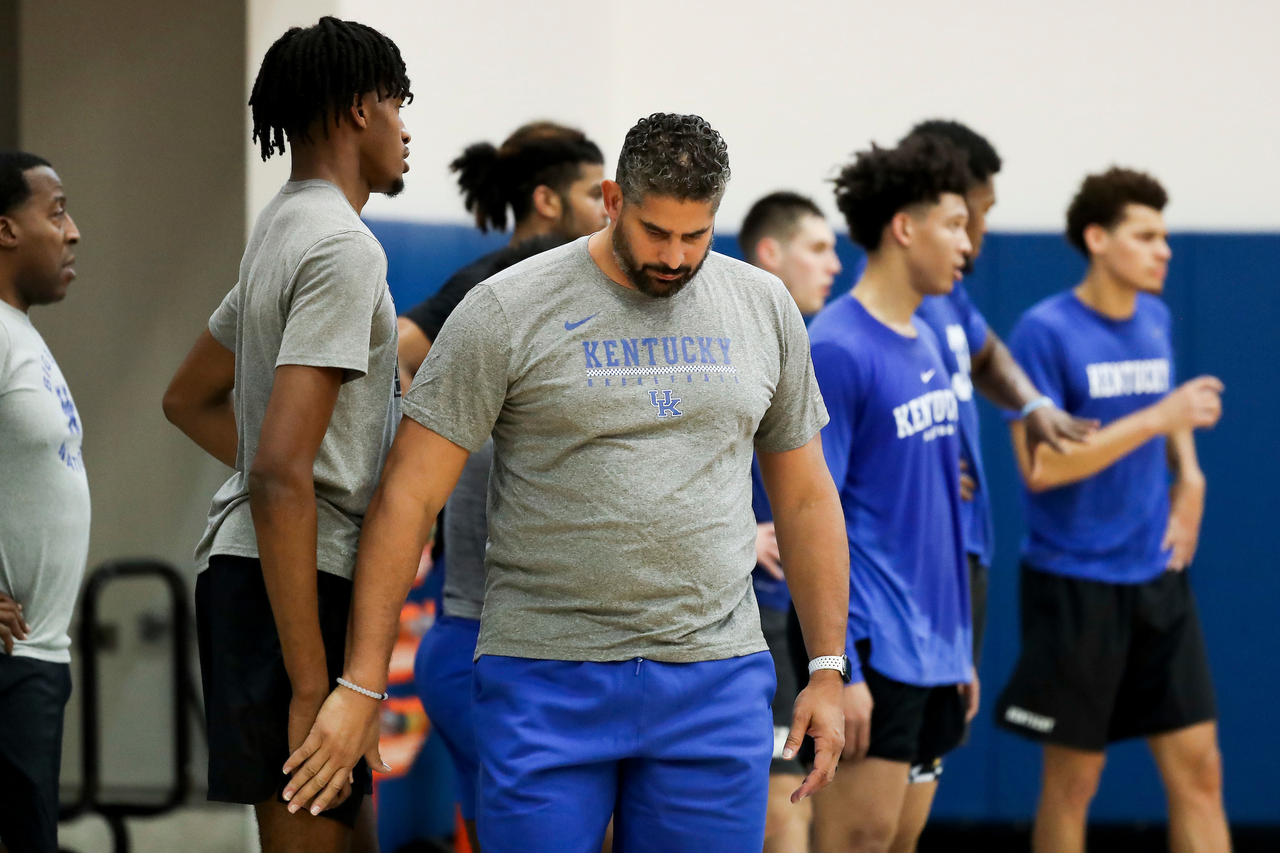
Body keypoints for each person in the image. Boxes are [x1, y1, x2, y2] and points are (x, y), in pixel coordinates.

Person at [282, 113, 852, 853]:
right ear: (612, 199)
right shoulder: (505, 308)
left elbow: (806, 497)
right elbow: (407, 496)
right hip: (546, 674)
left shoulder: (762, 307)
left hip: (713, 679)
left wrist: (828, 668)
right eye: (656, 232)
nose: (676, 257)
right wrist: (362, 682)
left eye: (697, 235)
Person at [161, 17, 411, 853]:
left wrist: (275, 484)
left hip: (264, 575)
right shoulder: (345, 247)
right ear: (356, 110)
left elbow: (187, 398)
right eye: (398, 103)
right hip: (298, 589)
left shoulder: (281, 227)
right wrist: (312, 683)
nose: (406, 127)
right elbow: (276, 471)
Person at [995, 168, 1228, 853]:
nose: (1165, 249)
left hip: (1158, 580)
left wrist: (1191, 475)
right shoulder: (1044, 331)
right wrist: (1158, 418)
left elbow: (1167, 416)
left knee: (1202, 771)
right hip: (1075, 583)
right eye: (1146, 234)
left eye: (1165, 234)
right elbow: (1041, 468)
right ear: (1098, 238)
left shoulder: (1154, 316)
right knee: (1074, 782)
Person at [406, 120, 607, 852]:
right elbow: (396, 351)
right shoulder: (500, 285)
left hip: (516, 642)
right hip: (486, 637)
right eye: (596, 192)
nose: (609, 206)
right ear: (548, 201)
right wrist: (421, 473)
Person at [806, 136, 978, 853]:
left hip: (936, 651)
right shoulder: (837, 346)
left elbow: (941, 509)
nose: (968, 243)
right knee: (856, 842)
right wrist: (838, 665)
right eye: (954, 224)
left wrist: (960, 647)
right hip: (875, 652)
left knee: (899, 842)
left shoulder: (929, 337)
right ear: (904, 227)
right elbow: (812, 514)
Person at [908, 119, 1097, 675]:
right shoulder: (883, 318)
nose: (981, 233)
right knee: (889, 753)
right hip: (913, 557)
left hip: (963, 543)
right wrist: (916, 467)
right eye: (977, 212)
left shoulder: (950, 295)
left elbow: (986, 354)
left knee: (931, 753)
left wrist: (1033, 404)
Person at [737, 190, 842, 853]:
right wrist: (737, 532)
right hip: (748, 614)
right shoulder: (731, 337)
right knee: (780, 809)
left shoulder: (811, 342)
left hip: (807, 610)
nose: (834, 265)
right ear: (770, 253)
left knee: (807, 804)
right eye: (819, 248)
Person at [0, 151, 86, 853]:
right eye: (55, 212)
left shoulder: (20, 332)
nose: (72, 231)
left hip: (34, 662)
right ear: (4, 228)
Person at [395, 121, 608, 383]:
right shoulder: (485, 285)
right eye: (595, 195)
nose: (607, 211)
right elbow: (393, 356)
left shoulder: (593, 278)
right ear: (547, 201)